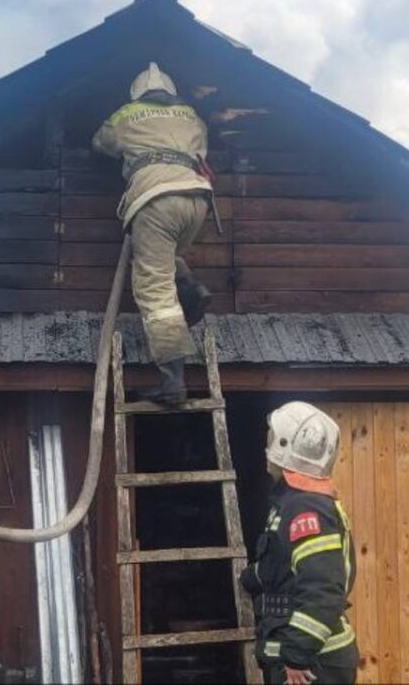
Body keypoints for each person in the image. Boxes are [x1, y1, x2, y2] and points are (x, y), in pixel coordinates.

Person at [92, 61, 215, 406]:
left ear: (137, 93)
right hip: (197, 201)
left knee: (155, 290)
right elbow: (200, 149)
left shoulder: (127, 115)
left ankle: (173, 381)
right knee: (166, 255)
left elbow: (100, 143)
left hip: (155, 199)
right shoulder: (192, 117)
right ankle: (191, 288)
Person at [241, 402, 359, 685]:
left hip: (311, 666)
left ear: (284, 445)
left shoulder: (306, 507)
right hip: (306, 661)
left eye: (272, 437)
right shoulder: (292, 503)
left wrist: (297, 656)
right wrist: (249, 577)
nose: (266, 447)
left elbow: (322, 588)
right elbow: (281, 567)